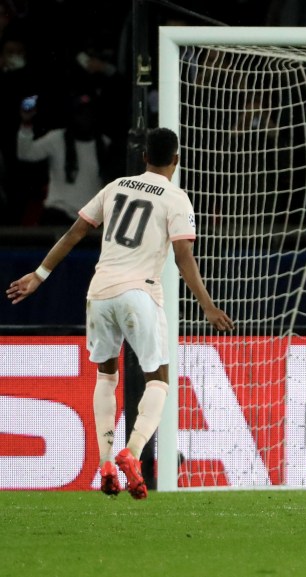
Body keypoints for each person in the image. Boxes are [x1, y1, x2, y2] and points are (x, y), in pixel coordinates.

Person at [6, 127, 234, 499]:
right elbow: (183, 257)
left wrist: (39, 274)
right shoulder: (176, 198)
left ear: (144, 157)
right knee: (158, 379)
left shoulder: (116, 186)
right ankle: (134, 451)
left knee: (106, 376)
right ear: (175, 161)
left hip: (99, 292)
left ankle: (107, 461)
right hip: (139, 293)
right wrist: (207, 305)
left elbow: (75, 233)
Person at [17, 94, 119, 225]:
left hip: (90, 219)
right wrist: (26, 124)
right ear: (73, 115)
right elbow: (26, 153)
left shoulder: (105, 144)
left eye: (88, 113)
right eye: (80, 113)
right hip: (59, 213)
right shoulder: (56, 139)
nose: (84, 118)